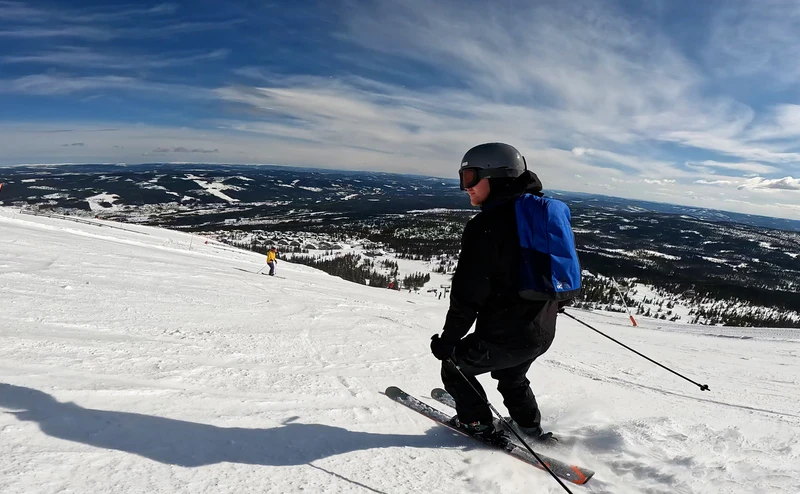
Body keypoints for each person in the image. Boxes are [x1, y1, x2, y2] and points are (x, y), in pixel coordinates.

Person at [430, 142, 568, 446]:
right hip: (542, 329)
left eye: (470, 177)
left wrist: (449, 341)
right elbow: (561, 269)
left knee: (454, 366)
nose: (465, 187)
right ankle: (529, 428)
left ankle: (477, 424)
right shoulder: (537, 215)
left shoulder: (487, 226)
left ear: (497, 177)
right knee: (511, 376)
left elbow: (468, 293)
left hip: (509, 334)